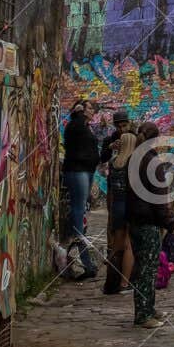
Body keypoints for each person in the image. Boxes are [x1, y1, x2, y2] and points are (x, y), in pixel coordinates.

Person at [127, 121, 174, 329]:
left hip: (135, 220)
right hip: (148, 221)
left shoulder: (134, 159)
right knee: (148, 270)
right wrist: (171, 223)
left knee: (144, 267)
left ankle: (148, 307)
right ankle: (143, 314)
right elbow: (159, 199)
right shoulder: (152, 162)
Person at [61, 100, 100, 280]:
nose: (93, 111)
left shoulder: (86, 127)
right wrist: (76, 115)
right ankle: (82, 254)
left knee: (82, 210)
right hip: (77, 170)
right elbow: (71, 136)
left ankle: (84, 255)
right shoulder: (75, 126)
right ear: (81, 110)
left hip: (87, 170)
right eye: (90, 108)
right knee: (78, 210)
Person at [99, 111, 137, 294]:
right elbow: (102, 158)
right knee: (122, 240)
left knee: (118, 240)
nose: (122, 129)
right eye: (119, 126)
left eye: (124, 125)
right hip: (121, 198)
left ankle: (113, 278)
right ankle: (121, 280)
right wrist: (111, 148)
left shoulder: (134, 138)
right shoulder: (111, 141)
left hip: (119, 200)